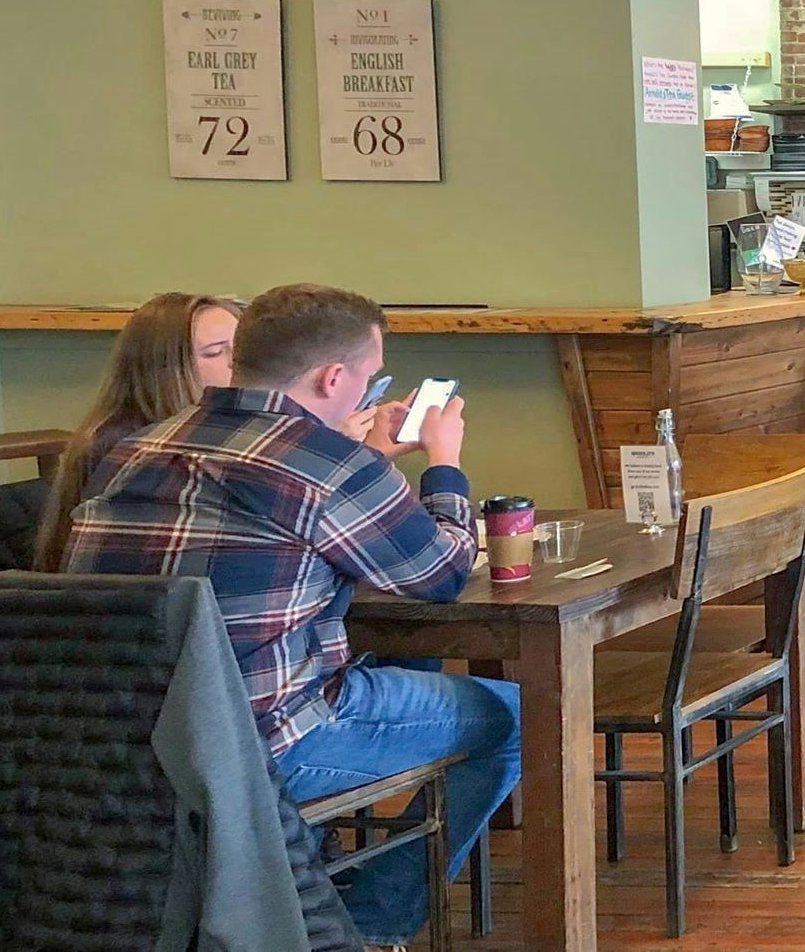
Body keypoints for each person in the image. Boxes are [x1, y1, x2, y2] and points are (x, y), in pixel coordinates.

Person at [61, 283, 519, 952]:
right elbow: (440, 575)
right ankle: (369, 924)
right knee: (517, 716)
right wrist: (444, 462)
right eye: (368, 373)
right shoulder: (328, 463)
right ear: (336, 377)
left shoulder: (136, 449)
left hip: (122, 744)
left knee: (394, 667)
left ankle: (315, 894)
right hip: (265, 743)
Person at [33, 292, 242, 574]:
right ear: (165, 369)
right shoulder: (120, 444)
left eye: (241, 347)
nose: (236, 361)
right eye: (215, 352)